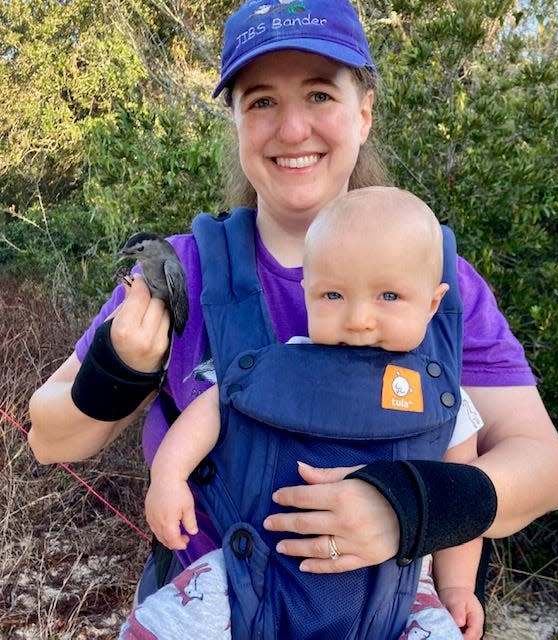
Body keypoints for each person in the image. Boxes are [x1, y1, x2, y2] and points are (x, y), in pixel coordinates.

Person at [27, 0, 558, 636]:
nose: (291, 130)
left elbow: (543, 470)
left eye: (318, 94)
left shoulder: (441, 288)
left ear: (362, 114)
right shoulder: (182, 273)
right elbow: (48, 436)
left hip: (383, 615)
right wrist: (117, 369)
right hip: (219, 610)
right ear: (234, 122)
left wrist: (410, 507)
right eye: (260, 101)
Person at [122, 186, 485, 639]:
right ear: (307, 292)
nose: (358, 319)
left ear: (433, 303)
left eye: (388, 296)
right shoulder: (284, 364)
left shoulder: (440, 396)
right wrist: (169, 477)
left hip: (398, 587)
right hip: (255, 569)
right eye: (333, 295)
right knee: (168, 622)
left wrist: (457, 586)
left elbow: (458, 490)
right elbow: (215, 407)